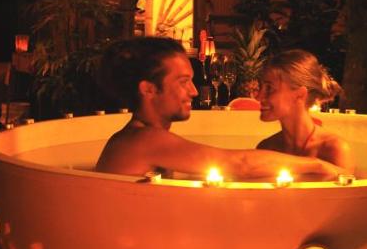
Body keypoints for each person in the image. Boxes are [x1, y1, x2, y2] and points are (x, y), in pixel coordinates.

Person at [95, 37, 348, 181]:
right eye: (183, 82)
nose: (194, 92)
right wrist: (319, 166)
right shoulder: (144, 140)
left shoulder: (143, 140)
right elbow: (240, 163)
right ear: (149, 89)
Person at [257, 49, 353, 172]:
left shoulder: (334, 150)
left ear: (299, 95)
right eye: (260, 87)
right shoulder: (267, 147)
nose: (258, 97)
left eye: (269, 88)